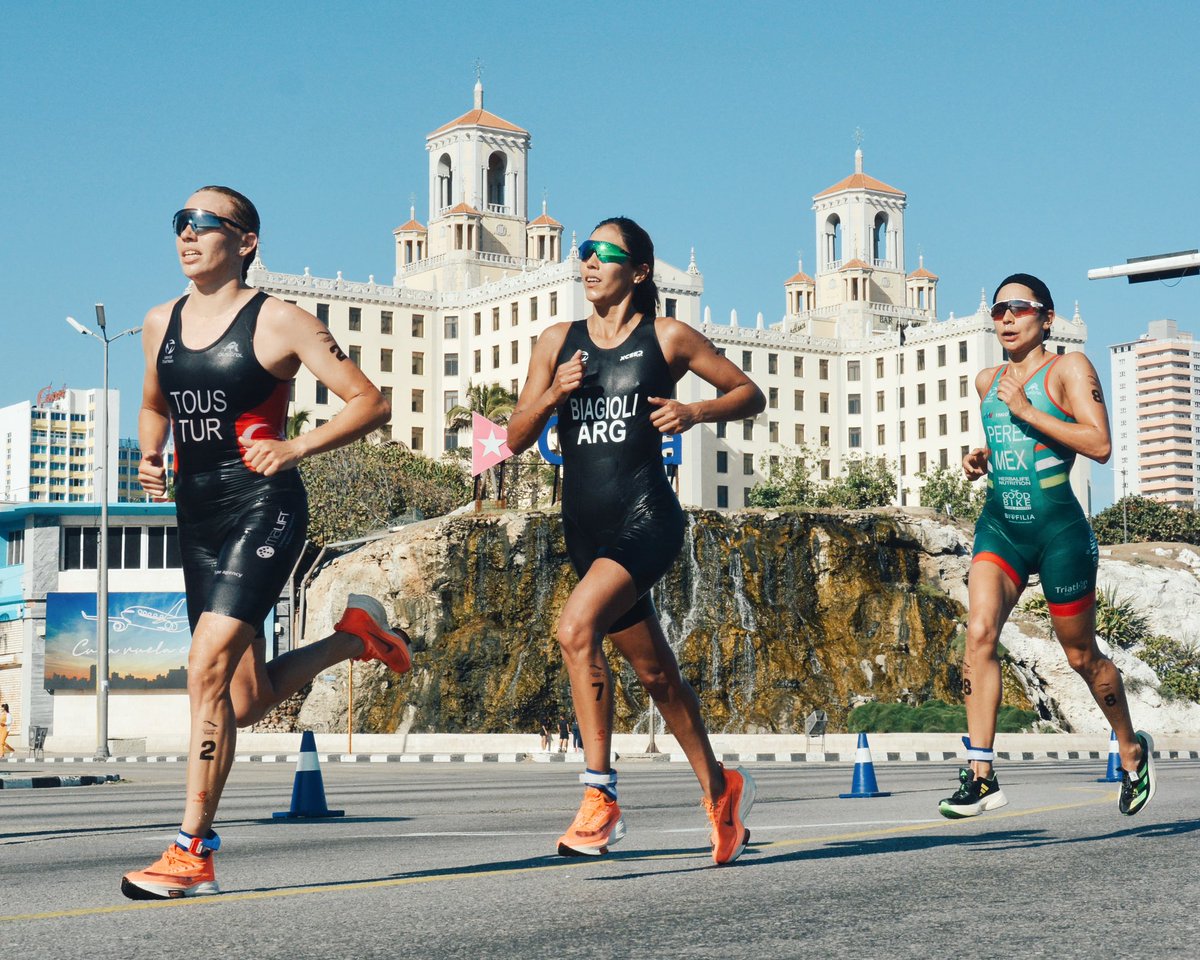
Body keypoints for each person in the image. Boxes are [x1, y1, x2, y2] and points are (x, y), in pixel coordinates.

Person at [121, 186, 414, 900]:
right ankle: (355, 636)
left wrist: (295, 449)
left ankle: (192, 848)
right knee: (243, 699)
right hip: (197, 518)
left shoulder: (279, 321)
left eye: (204, 224)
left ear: (246, 240)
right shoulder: (160, 320)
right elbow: (156, 403)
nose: (186, 235)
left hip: (263, 504)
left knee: (205, 668)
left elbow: (371, 401)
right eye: (179, 224)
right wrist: (151, 457)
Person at [508, 216, 766, 865]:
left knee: (574, 629)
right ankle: (722, 789)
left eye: (604, 253)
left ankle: (600, 798)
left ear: (640, 271)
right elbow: (510, 438)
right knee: (657, 677)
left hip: (648, 518)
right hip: (584, 529)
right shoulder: (554, 343)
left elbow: (748, 393)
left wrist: (696, 411)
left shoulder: (668, 338)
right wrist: (553, 396)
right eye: (583, 252)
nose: (588, 262)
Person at [940, 273, 1155, 819]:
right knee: (981, 632)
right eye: (998, 311)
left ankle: (1131, 748)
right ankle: (982, 773)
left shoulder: (1068, 369)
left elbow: (1100, 444)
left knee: (1081, 656)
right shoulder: (987, 380)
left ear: (1047, 318)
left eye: (1018, 308)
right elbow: (1009, 441)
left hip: (1060, 534)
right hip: (1002, 527)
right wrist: (979, 457)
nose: (1006, 319)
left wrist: (1028, 410)